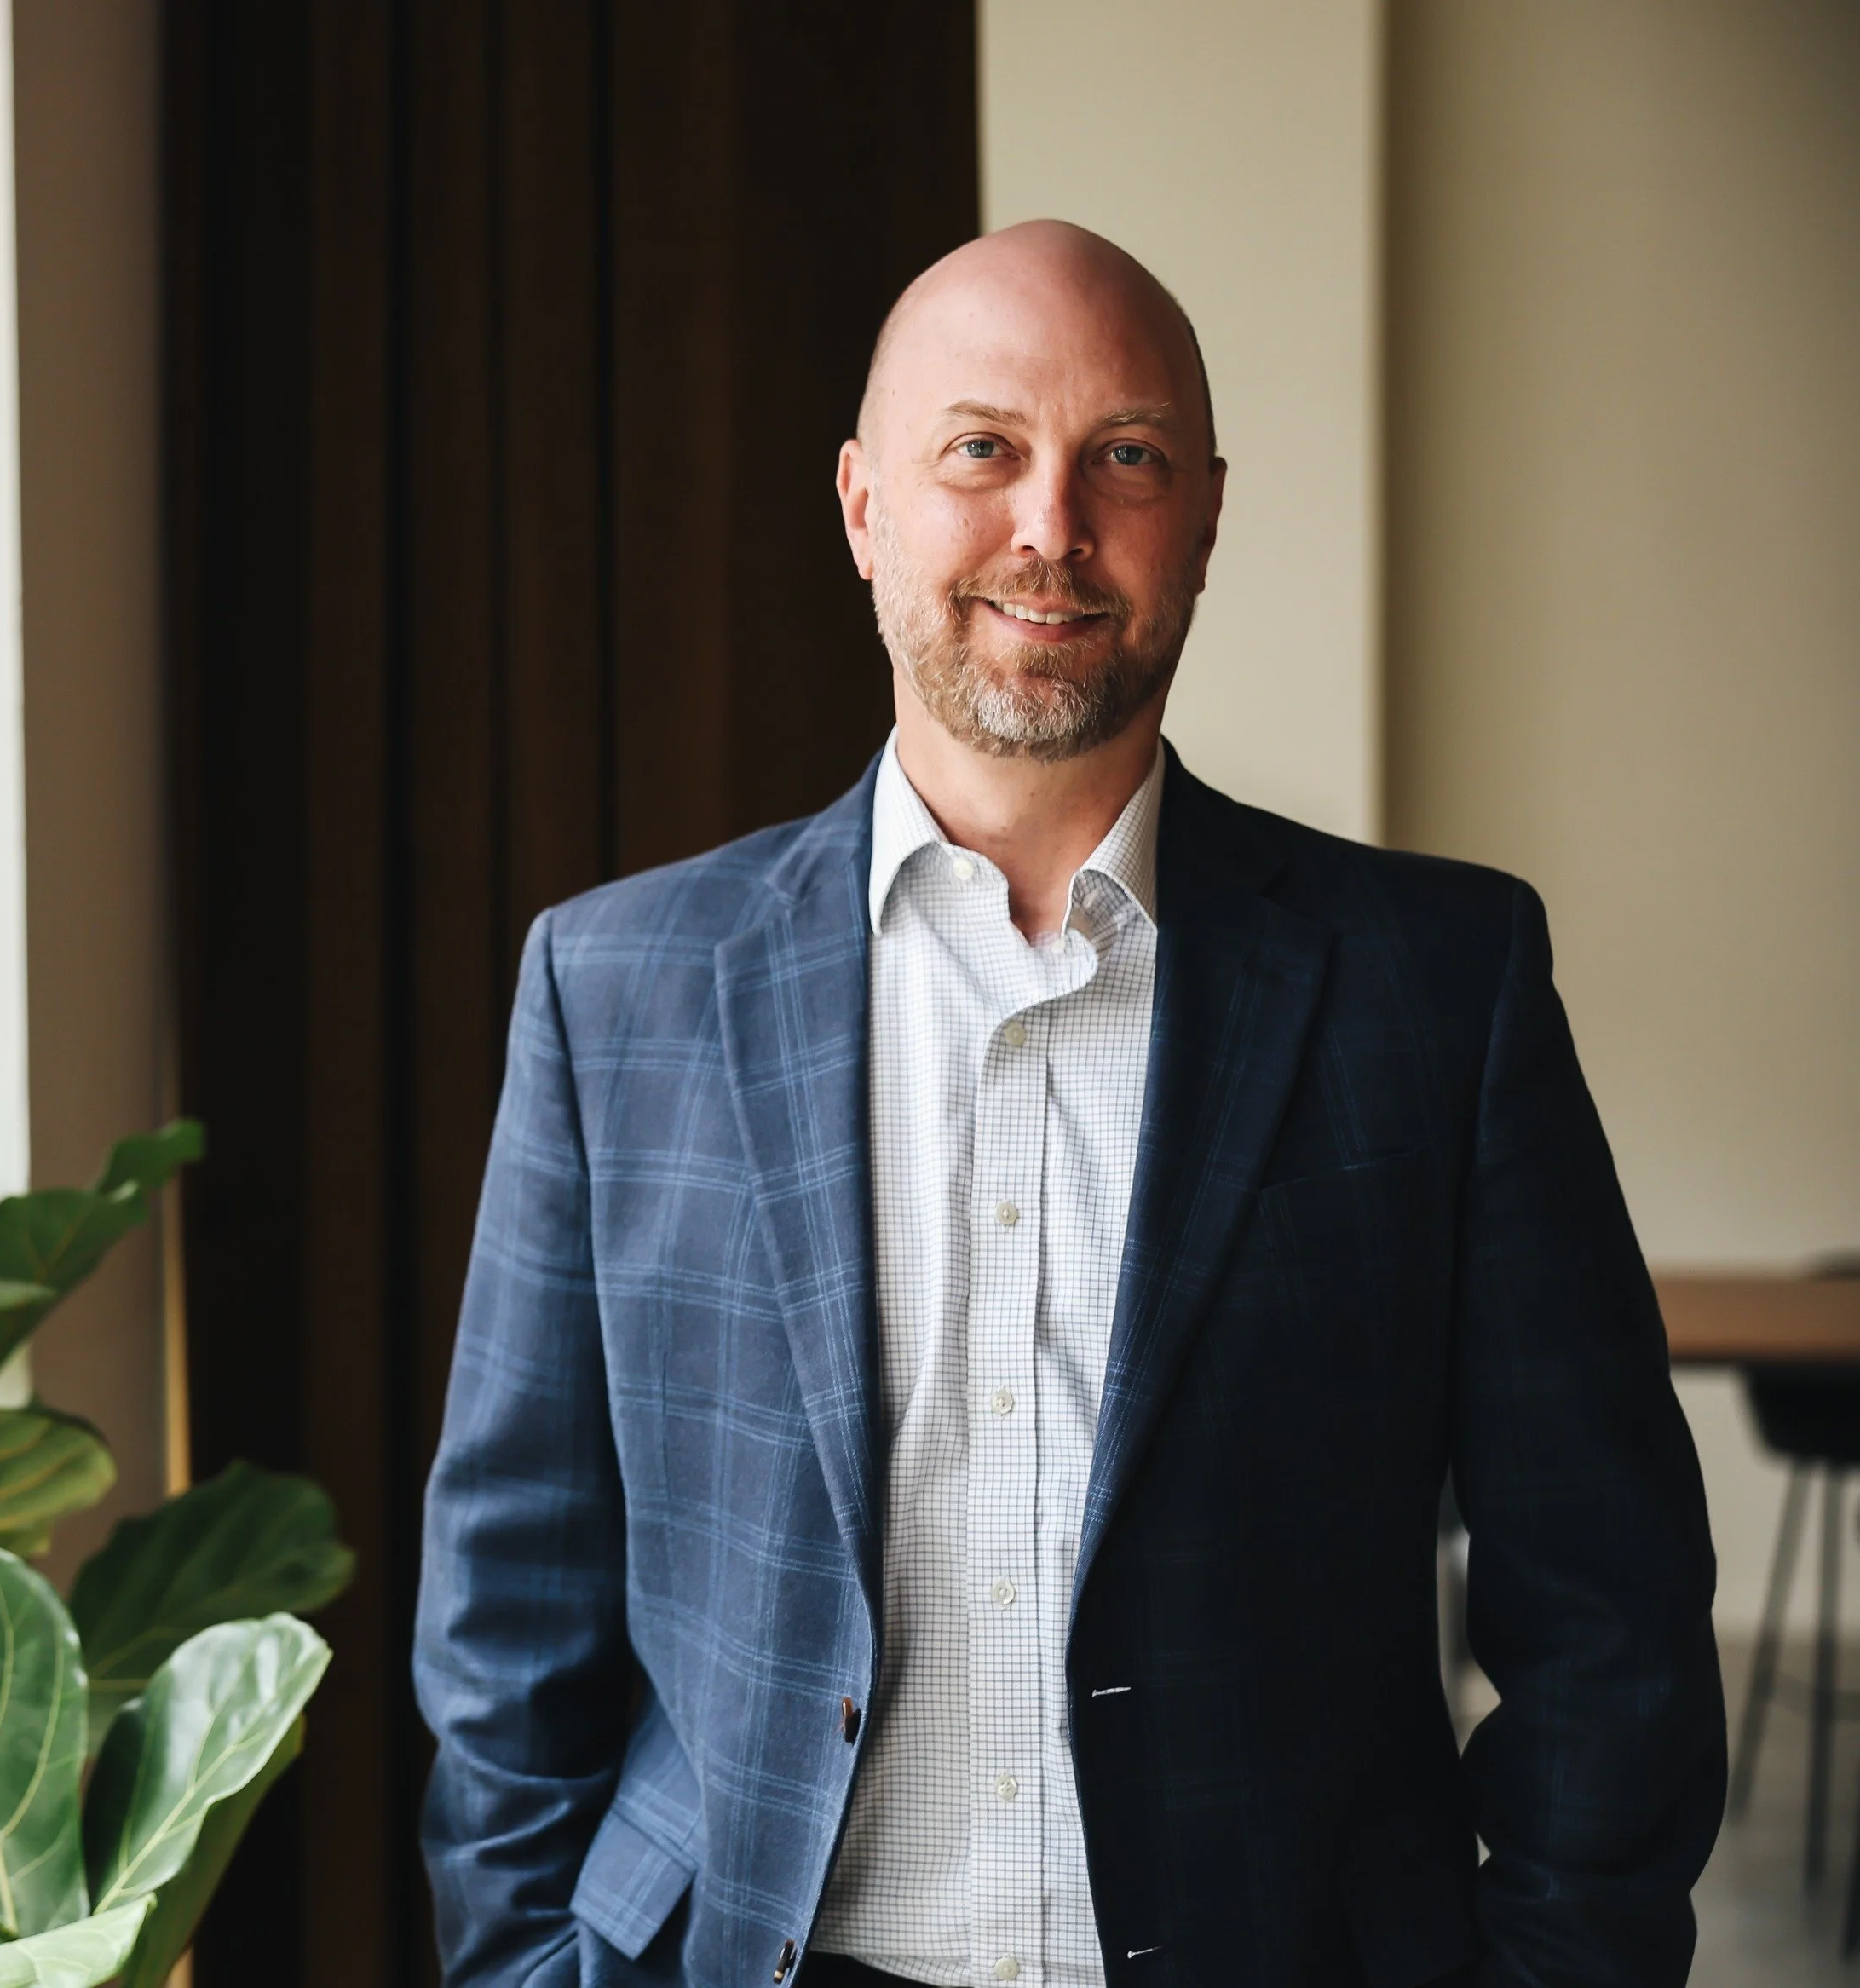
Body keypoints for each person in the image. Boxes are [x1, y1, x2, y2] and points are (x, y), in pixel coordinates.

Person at [414, 220, 1725, 1988]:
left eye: (1124, 457)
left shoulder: (1438, 984)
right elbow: (510, 1603)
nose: (1050, 525)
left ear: (1199, 515)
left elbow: (1606, 1614)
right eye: (981, 450)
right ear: (865, 502)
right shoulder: (617, 985)